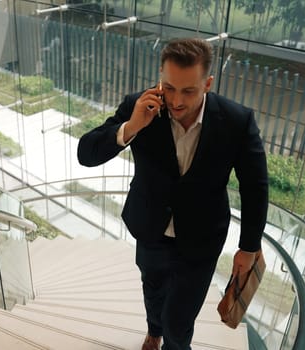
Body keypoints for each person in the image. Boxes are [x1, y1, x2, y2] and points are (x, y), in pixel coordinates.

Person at [77, 38, 268, 350]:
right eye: (170, 87)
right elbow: (86, 153)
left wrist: (248, 247)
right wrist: (132, 125)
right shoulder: (140, 105)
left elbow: (255, 186)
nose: (177, 100)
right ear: (160, 78)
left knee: (179, 322)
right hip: (151, 229)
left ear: (207, 83)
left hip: (202, 240)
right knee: (152, 291)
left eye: (188, 90)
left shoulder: (237, 121)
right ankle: (154, 331)